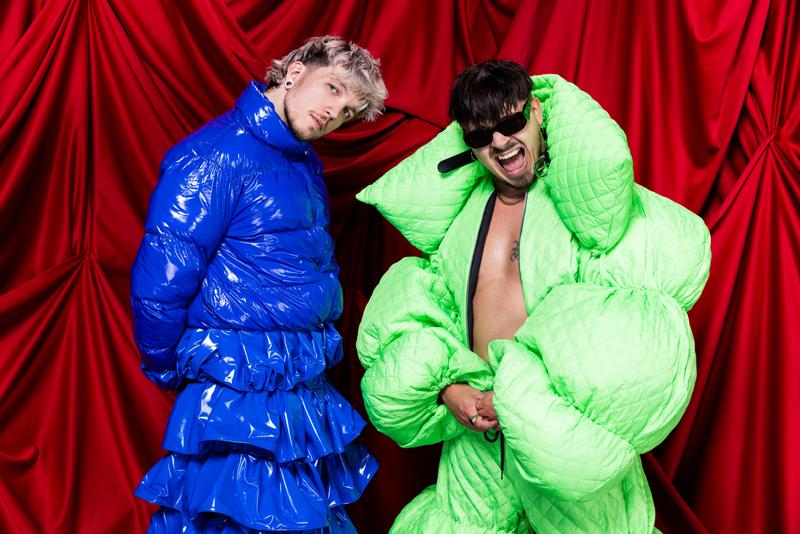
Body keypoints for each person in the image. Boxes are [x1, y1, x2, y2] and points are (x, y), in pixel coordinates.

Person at [356, 60, 711, 533]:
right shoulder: (461, 221)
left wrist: (526, 402)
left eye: (510, 123)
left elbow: (630, 338)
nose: (500, 143)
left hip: (559, 437)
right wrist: (450, 389)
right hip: (476, 440)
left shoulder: (588, 213)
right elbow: (426, 314)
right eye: (481, 137)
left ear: (537, 111)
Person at [130, 35, 387, 533]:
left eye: (349, 110)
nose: (334, 113)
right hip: (237, 381)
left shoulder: (303, 159)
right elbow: (160, 282)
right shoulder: (215, 154)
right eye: (332, 88)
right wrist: (172, 369)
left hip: (299, 379)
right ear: (293, 73)